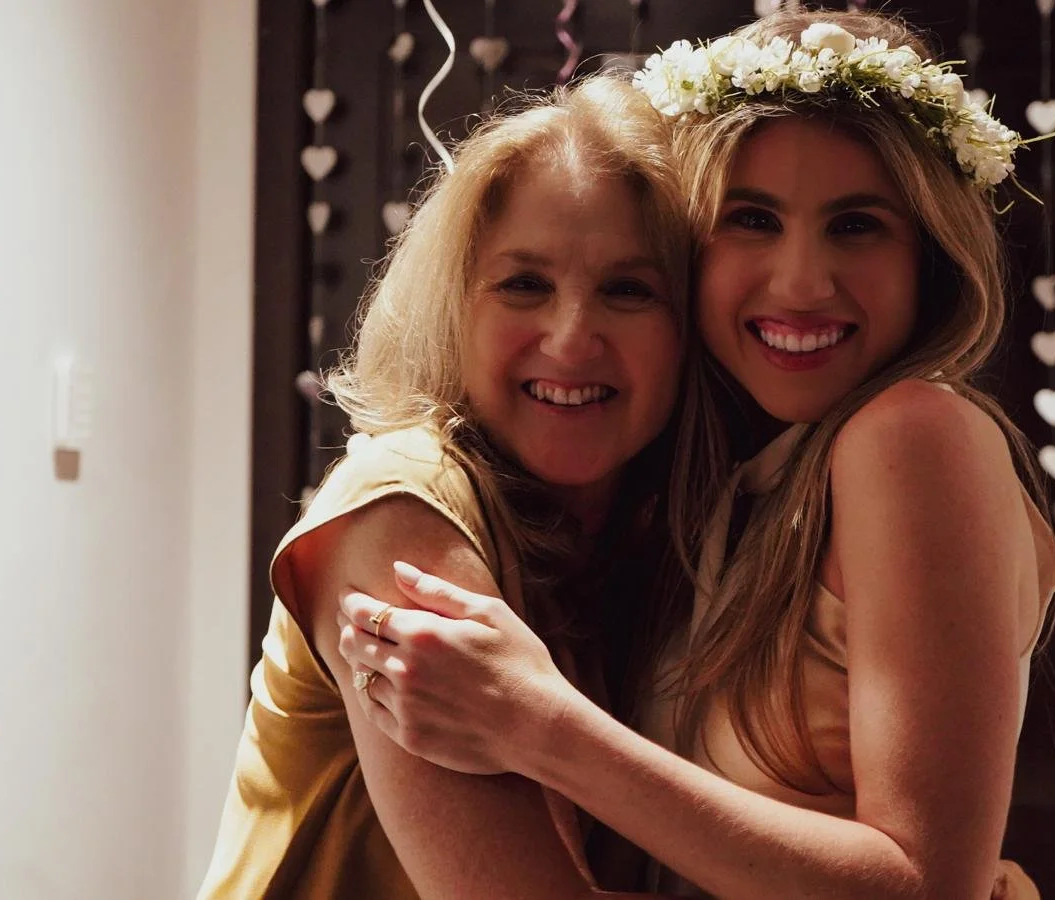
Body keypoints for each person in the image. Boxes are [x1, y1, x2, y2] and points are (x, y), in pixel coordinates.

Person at [336, 9, 1055, 898]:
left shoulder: (913, 433)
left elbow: (926, 885)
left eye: (857, 225)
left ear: (931, 254)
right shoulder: (739, 484)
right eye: (753, 219)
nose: (800, 282)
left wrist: (541, 723)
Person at [197, 75, 696, 898]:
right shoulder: (403, 502)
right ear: (452, 306)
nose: (572, 339)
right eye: (524, 284)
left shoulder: (645, 544)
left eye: (629, 289)